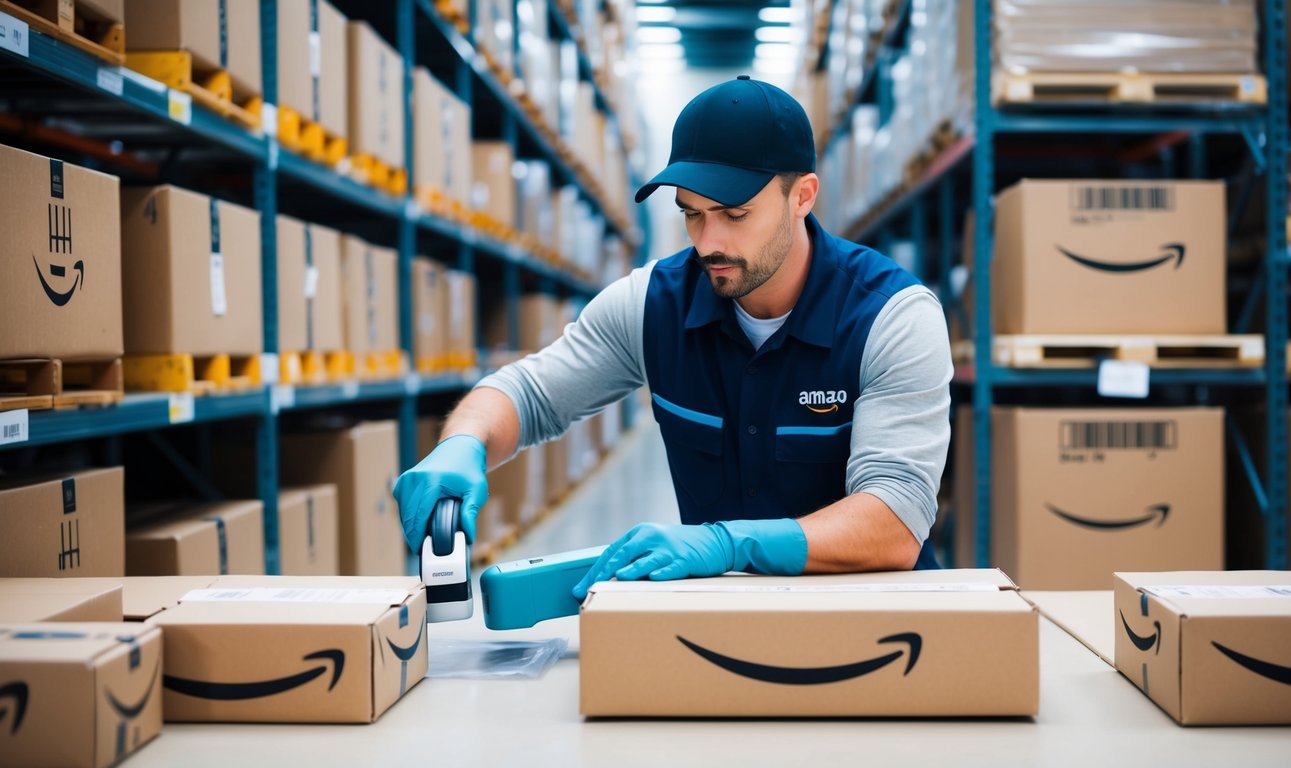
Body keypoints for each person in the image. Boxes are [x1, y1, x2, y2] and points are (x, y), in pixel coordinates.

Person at [393, 75, 952, 600]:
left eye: (734, 214)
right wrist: (462, 443)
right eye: (691, 214)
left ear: (802, 196)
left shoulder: (892, 318)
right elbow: (531, 394)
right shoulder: (652, 305)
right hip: (717, 620)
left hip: (875, 621)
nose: (708, 242)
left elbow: (895, 519)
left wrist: (729, 544)